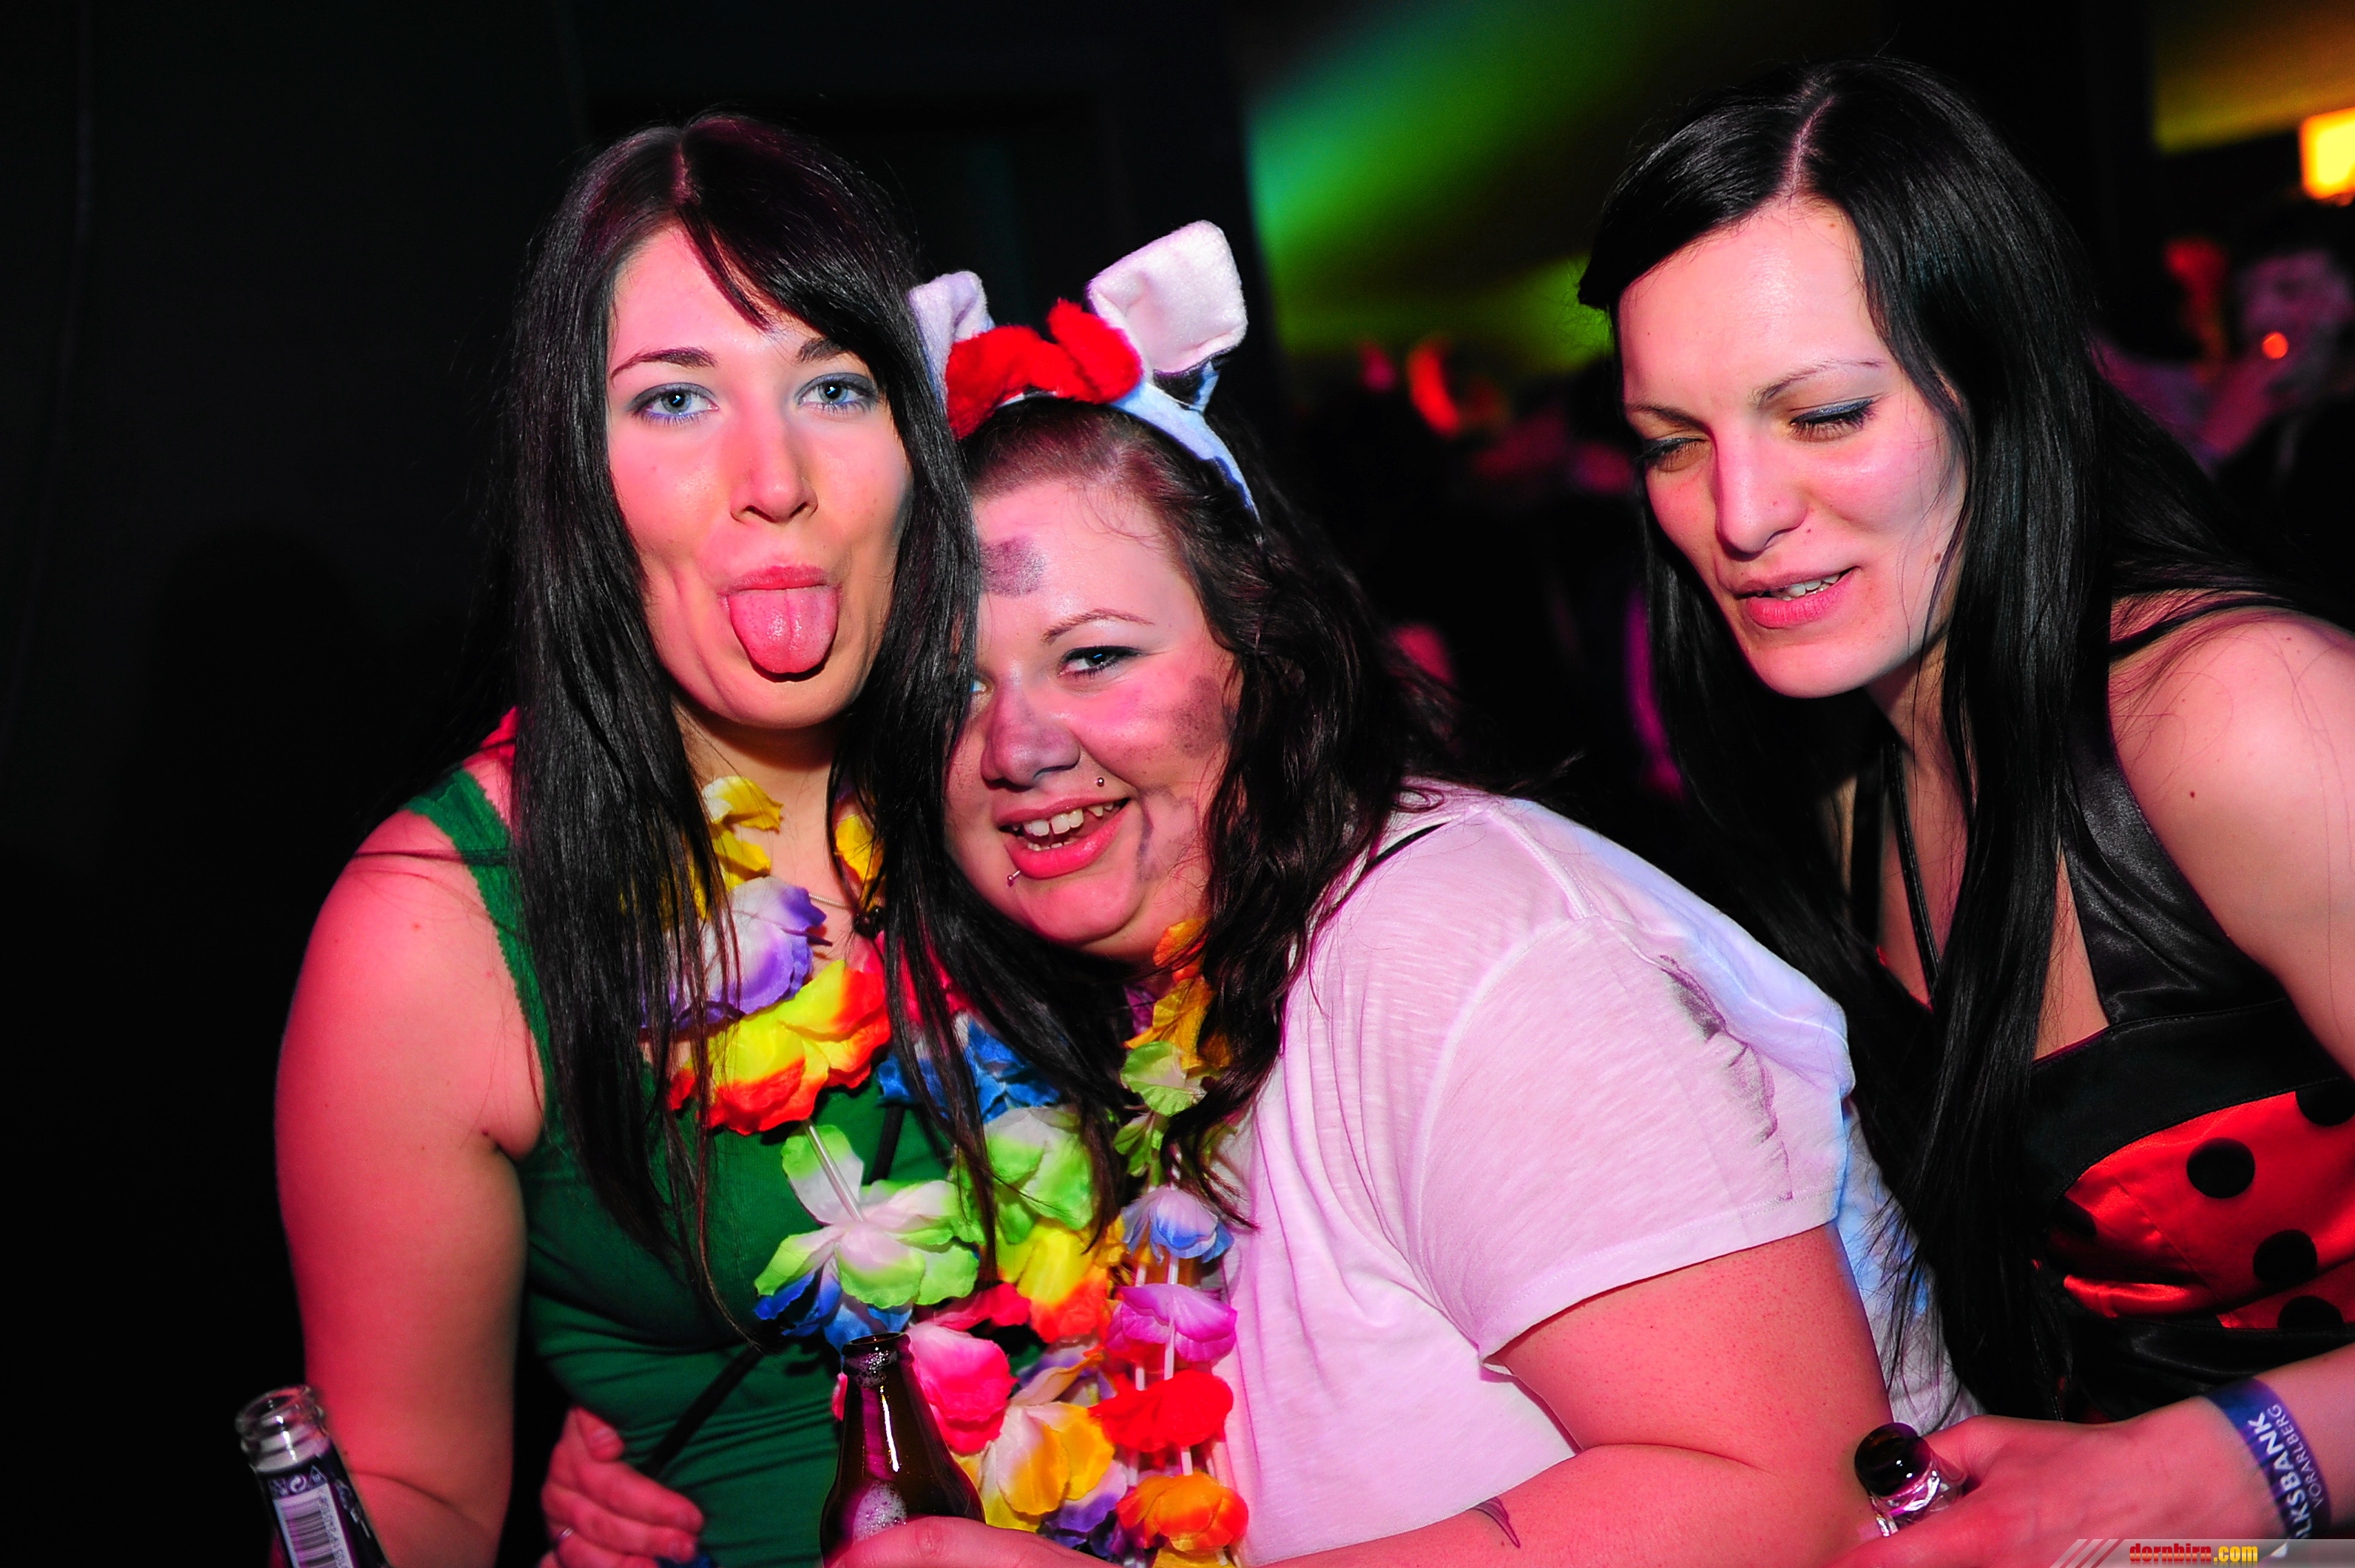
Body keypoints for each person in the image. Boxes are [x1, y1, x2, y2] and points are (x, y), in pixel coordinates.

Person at [546, 223, 1951, 1567]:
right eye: (956, 685)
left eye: (1095, 657)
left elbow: (1800, 1496)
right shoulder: (1144, 1008)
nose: (1019, 745)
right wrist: (654, 1446)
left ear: (1260, 657)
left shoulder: (1461, 947)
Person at [1575, 58, 2355, 1561]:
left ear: (1999, 388)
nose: (1737, 513)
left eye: (1821, 415)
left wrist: (2215, 1467)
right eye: (1671, 440)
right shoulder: (1834, 771)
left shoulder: (2237, 716)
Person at [276, 112, 976, 1568]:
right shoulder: (441, 926)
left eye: (834, 386)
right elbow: (411, 1493)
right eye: (673, 400)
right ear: (576, 470)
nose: (773, 473)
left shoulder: (1037, 771)